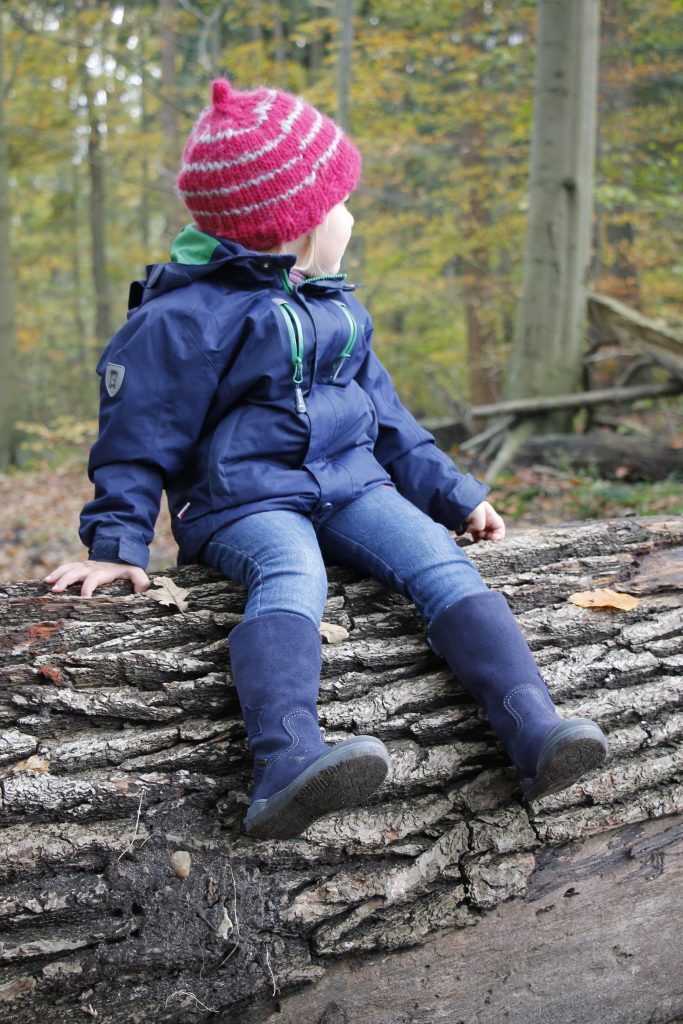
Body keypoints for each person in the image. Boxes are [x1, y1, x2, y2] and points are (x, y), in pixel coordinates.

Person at [44, 79, 607, 841]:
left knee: (440, 563)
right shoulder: (180, 319)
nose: (350, 215)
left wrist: (454, 495)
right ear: (297, 228)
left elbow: (389, 419)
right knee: (293, 574)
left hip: (350, 485)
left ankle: (534, 729)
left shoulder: (337, 306)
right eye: (339, 204)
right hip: (243, 503)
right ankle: (285, 763)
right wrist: (116, 547)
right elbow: (136, 441)